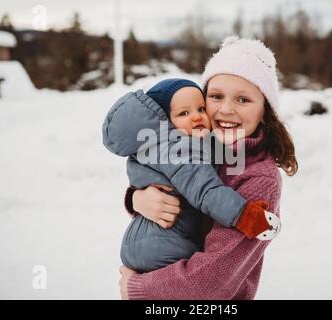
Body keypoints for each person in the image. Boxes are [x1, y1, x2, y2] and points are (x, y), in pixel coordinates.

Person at [119, 36, 298, 300]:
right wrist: (137, 198)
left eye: (243, 100)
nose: (226, 109)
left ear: (265, 111)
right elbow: (164, 180)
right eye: (216, 96)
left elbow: (211, 283)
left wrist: (136, 288)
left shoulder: (259, 179)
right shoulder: (202, 147)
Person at [102, 78, 280, 273]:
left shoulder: (157, 145)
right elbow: (205, 190)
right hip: (164, 244)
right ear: (167, 122)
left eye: (201, 109)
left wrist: (134, 198)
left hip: (146, 240)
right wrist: (246, 216)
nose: (196, 117)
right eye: (184, 113)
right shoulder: (180, 149)